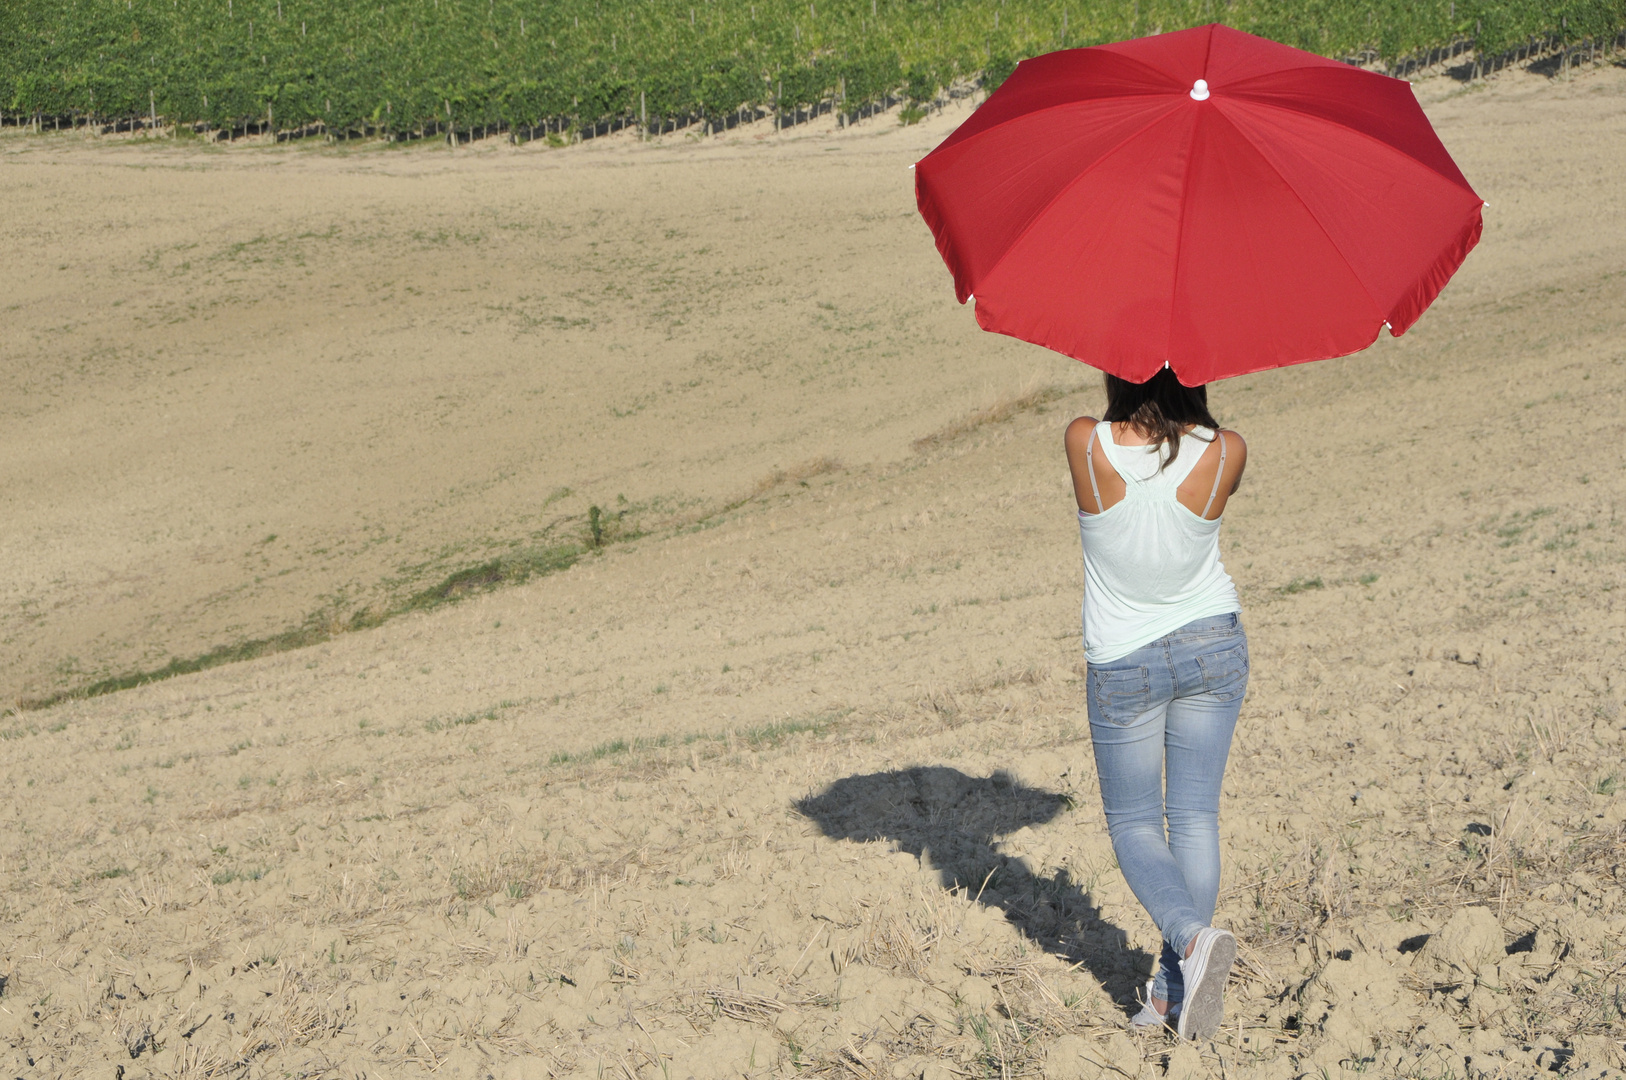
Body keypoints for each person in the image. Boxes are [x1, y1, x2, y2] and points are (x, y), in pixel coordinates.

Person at [1063, 367, 1249, 1041]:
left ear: (1114, 367)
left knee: (1135, 826)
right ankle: (1174, 993)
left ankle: (1191, 944)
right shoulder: (1228, 450)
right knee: (1195, 818)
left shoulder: (1085, 442)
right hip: (1213, 644)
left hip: (1124, 662)